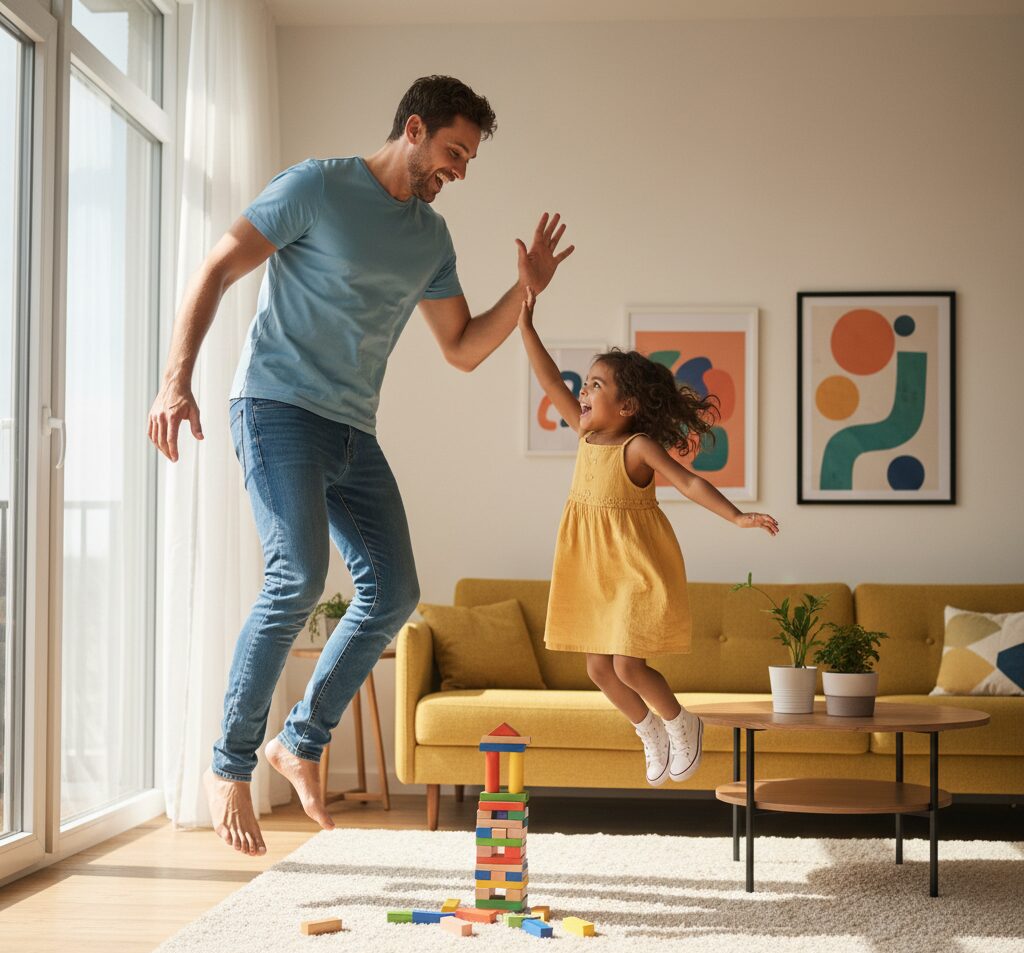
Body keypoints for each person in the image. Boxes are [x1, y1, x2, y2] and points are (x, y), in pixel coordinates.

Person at [147, 76, 574, 857]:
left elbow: (462, 349)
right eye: (453, 151)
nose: (460, 171)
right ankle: (229, 764)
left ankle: (299, 741)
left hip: (350, 429)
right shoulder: (317, 185)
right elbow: (215, 268)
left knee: (395, 587)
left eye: (470, 159)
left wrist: (527, 292)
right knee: (297, 577)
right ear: (413, 128)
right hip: (276, 408)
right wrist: (176, 381)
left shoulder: (430, 241)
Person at [518, 286, 778, 787]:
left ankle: (683, 723)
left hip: (633, 568)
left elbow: (689, 481)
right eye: (587, 386)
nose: (584, 393)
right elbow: (550, 379)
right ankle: (649, 732)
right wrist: (526, 326)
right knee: (598, 669)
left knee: (627, 664)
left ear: (628, 405)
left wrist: (738, 517)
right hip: (592, 569)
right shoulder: (586, 434)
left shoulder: (637, 447)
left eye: (596, 386)